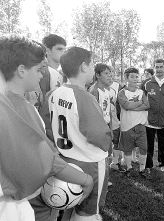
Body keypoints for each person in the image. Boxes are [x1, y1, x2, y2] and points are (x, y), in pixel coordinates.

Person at [0, 36, 93, 221]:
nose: (42, 75)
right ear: (21, 70)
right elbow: (45, 159)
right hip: (20, 200)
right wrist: (85, 180)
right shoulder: (17, 108)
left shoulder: (13, 102)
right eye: (38, 70)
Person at [48, 47, 112, 221]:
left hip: (66, 160)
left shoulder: (54, 93)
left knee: (71, 204)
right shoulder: (84, 97)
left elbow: (48, 127)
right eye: (91, 65)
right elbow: (98, 134)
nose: (93, 69)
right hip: (90, 162)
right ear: (84, 66)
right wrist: (109, 145)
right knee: (88, 211)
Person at [141, 59, 164, 172]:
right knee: (149, 144)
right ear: (154, 68)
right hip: (149, 120)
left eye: (161, 67)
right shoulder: (146, 83)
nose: (159, 69)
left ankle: (163, 164)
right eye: (157, 67)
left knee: (163, 143)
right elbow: (142, 100)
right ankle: (148, 165)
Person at [118, 67, 150, 177]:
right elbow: (126, 105)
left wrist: (132, 107)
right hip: (127, 126)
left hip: (140, 126)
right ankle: (129, 168)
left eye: (137, 76)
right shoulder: (122, 93)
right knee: (127, 149)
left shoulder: (141, 92)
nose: (135, 79)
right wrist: (139, 103)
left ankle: (142, 169)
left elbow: (147, 105)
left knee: (144, 148)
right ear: (126, 77)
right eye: (132, 76)